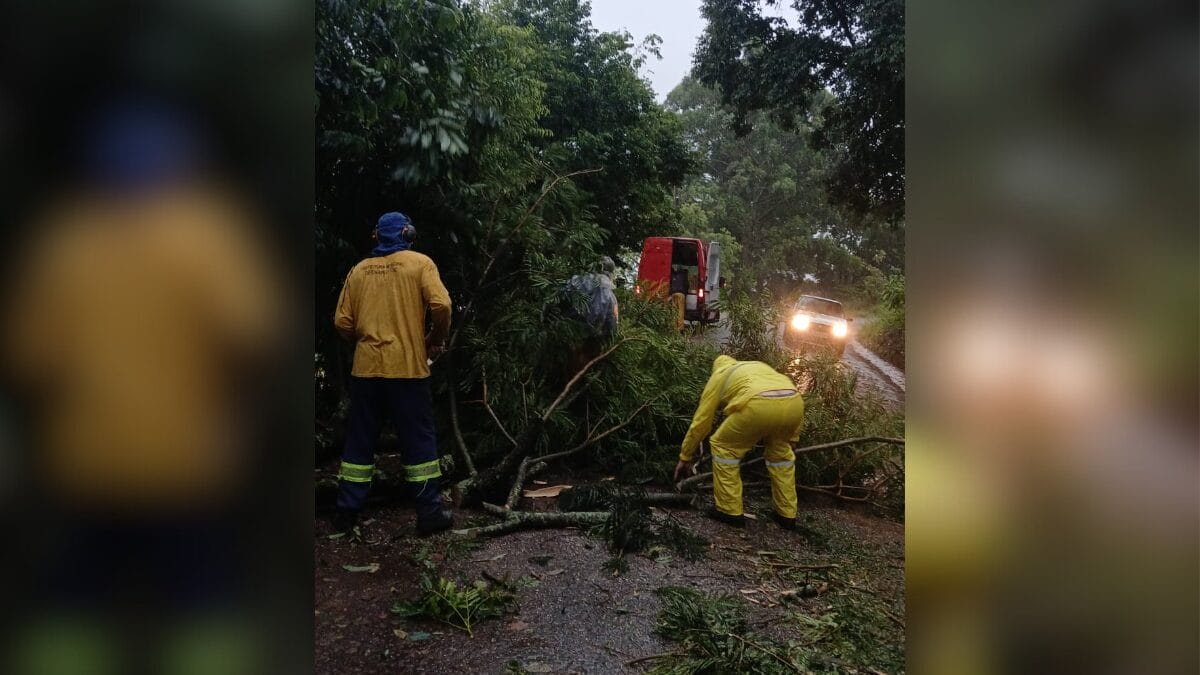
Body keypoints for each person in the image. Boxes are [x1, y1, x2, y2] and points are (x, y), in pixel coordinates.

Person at [332, 211, 454, 535]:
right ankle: (429, 514)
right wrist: (433, 340)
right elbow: (441, 305)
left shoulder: (358, 271)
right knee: (419, 443)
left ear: (376, 236)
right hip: (408, 370)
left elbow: (341, 322)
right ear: (407, 233)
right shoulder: (420, 264)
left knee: (359, 441)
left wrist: (364, 339)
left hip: (366, 369)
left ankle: (346, 515)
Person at [674, 355, 804, 529]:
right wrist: (793, 439)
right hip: (794, 403)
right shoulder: (757, 364)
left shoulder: (719, 375)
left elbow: (701, 422)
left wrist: (685, 456)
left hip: (759, 404)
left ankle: (729, 510)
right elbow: (785, 391)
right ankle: (787, 515)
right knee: (781, 455)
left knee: (723, 445)